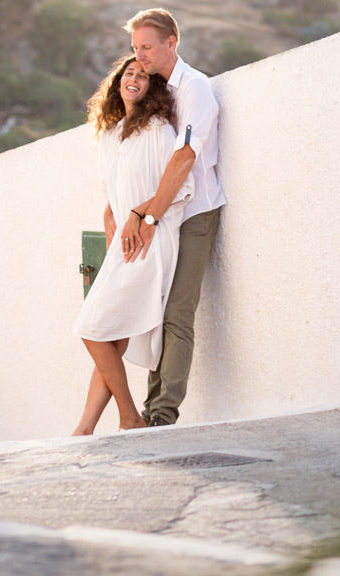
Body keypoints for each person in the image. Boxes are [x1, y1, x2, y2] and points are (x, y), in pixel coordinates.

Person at [71, 54, 194, 434]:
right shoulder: (110, 133)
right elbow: (111, 197)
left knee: (92, 329)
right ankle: (85, 429)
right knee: (111, 337)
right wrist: (112, 230)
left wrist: (139, 215)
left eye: (143, 75)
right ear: (117, 81)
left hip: (151, 240)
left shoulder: (158, 129)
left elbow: (178, 188)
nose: (135, 79)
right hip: (122, 248)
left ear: (151, 87)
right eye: (129, 72)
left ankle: (129, 418)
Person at [118, 8, 225, 427]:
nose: (139, 56)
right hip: (162, 214)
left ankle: (162, 415)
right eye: (134, 49)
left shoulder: (194, 88)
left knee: (178, 313)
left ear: (170, 43)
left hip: (194, 212)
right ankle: (148, 411)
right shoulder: (153, 88)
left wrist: (148, 219)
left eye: (146, 47)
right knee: (155, 311)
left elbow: (184, 158)